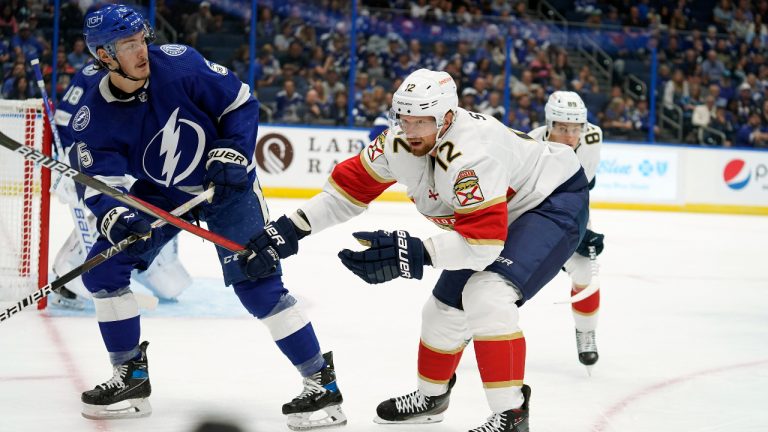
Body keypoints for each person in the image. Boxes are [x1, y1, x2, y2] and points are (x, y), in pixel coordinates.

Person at [239, 69, 589, 431]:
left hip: (549, 200)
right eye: (403, 119)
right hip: (498, 213)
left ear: (448, 118)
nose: (411, 131)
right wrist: (287, 230)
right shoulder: (397, 141)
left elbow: (482, 244)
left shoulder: (473, 154)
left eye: (422, 122)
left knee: (487, 295)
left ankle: (512, 415)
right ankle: (431, 398)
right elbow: (344, 195)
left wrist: (413, 253)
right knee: (440, 311)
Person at [71, 6, 345, 429]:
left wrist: (234, 148)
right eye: (127, 45)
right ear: (104, 57)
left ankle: (320, 384)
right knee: (105, 271)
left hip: (226, 185)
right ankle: (130, 375)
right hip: (163, 192)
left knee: (258, 282)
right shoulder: (93, 115)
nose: (141, 50)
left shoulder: (179, 65)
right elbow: (97, 182)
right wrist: (120, 216)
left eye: (141, 39)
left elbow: (240, 102)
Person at [50, 61, 194, 311]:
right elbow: (64, 119)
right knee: (114, 208)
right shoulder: (91, 74)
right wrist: (69, 156)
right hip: (92, 158)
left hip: (130, 160)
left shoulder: (150, 72)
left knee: (152, 207)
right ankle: (71, 274)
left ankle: (146, 260)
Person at [528, 91, 605, 372]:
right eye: (562, 128)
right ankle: (467, 327)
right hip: (533, 213)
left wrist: (580, 230)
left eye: (576, 128)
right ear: (549, 126)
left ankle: (586, 331)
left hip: (573, 209)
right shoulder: (530, 144)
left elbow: (580, 189)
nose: (570, 136)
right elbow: (531, 197)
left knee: (585, 270)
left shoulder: (592, 138)